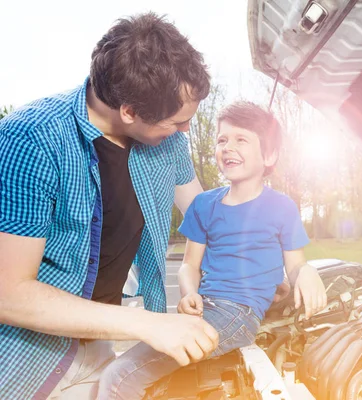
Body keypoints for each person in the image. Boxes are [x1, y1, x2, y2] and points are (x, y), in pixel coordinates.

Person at [0, 13, 220, 400]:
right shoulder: (31, 139)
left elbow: (206, 218)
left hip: (102, 340)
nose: (186, 130)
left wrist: (279, 262)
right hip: (28, 357)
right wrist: (146, 324)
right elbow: (9, 292)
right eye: (176, 122)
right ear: (130, 112)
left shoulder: (167, 142)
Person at [98, 101, 328, 399]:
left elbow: (296, 265)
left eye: (241, 139)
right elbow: (189, 266)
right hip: (203, 309)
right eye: (222, 140)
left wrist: (307, 272)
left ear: (269, 155)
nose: (228, 147)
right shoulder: (204, 205)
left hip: (237, 314)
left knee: (120, 376)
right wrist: (189, 293)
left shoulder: (282, 207)